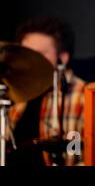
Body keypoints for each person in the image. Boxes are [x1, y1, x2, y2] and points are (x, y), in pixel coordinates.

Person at [7, 16, 85, 166]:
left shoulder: (82, 95)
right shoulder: (14, 97)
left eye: (39, 54)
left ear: (62, 57)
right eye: (26, 54)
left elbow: (86, 157)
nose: (30, 61)